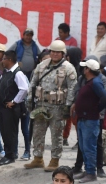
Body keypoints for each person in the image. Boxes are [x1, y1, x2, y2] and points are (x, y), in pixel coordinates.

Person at [25, 40, 78, 171]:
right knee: (38, 131)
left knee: (56, 134)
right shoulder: (42, 65)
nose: (54, 54)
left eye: (57, 52)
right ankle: (38, 158)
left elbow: (72, 88)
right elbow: (33, 83)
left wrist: (68, 106)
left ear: (63, 53)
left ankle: (54, 160)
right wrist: (30, 99)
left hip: (58, 107)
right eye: (53, 51)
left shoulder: (68, 68)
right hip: (41, 104)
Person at [72, 59, 106, 183]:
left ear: (88, 69)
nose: (83, 69)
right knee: (84, 147)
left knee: (89, 148)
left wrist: (96, 109)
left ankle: (91, 173)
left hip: (90, 120)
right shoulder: (89, 82)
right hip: (83, 119)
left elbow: (105, 98)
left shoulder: (96, 83)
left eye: (85, 68)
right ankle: (88, 170)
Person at [0, 50, 30, 165]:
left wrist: (14, 101)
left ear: (9, 60)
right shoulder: (7, 72)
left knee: (10, 132)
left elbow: (24, 89)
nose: (2, 61)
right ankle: (7, 153)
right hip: (2, 107)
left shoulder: (17, 73)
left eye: (4, 59)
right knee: (5, 131)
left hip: (10, 108)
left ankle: (11, 155)